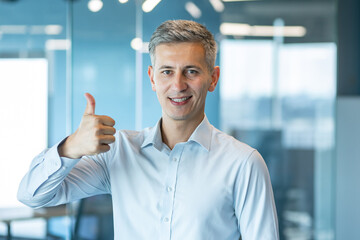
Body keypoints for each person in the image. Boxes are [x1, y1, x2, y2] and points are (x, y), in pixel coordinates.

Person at [18, 20, 279, 240]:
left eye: (191, 71)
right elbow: (32, 195)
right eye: (167, 72)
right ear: (152, 78)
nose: (178, 85)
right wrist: (71, 148)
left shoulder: (243, 163)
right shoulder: (119, 151)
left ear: (213, 78)